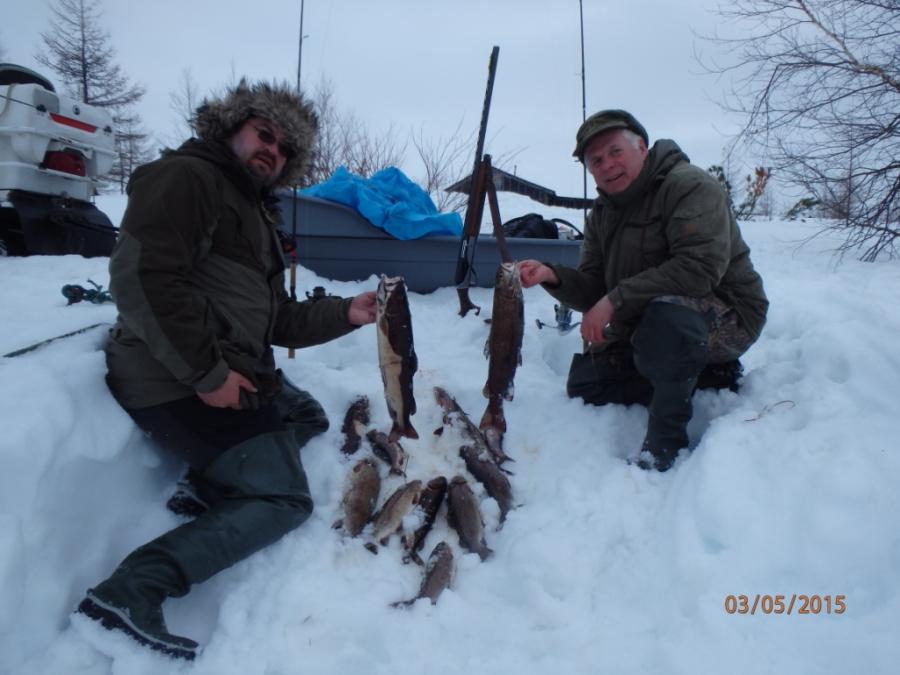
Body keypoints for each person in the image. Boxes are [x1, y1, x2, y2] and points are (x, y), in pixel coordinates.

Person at [74, 79, 377, 660]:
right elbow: (142, 279)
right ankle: (130, 592)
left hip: (223, 366)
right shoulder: (188, 178)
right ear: (232, 127)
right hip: (170, 377)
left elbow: (275, 319)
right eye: (265, 134)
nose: (272, 151)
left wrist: (347, 312)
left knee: (305, 414)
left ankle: (211, 484)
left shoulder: (253, 210)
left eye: (285, 148)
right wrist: (207, 376)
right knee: (284, 499)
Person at [519, 109, 768, 472]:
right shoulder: (602, 214)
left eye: (615, 152)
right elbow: (593, 288)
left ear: (642, 147)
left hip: (730, 315)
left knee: (666, 323)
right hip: (651, 319)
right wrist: (550, 276)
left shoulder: (690, 186)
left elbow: (698, 270)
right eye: (595, 161)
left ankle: (664, 446)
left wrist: (615, 300)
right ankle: (707, 375)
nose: (607, 165)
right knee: (587, 383)